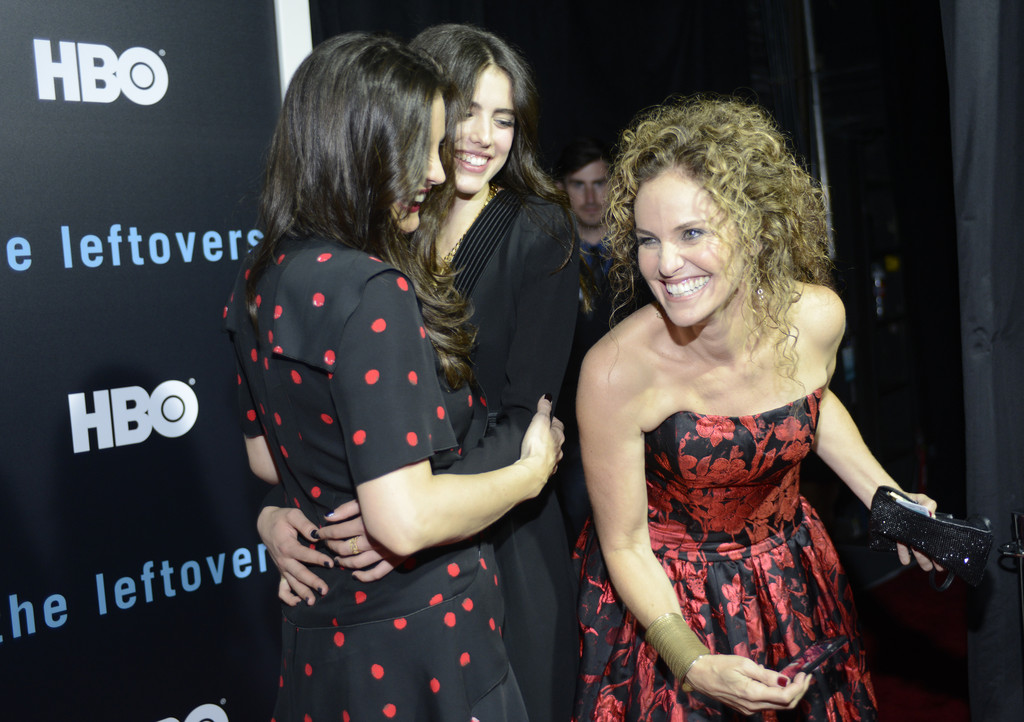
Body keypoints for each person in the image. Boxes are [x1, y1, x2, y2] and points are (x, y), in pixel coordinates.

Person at [224, 33, 564, 720]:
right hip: (421, 625)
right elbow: (400, 517)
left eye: (504, 119)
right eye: (456, 119)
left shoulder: (258, 277)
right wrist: (392, 514)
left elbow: (269, 454)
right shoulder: (373, 272)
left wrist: (366, 511)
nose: (455, 155)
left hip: (429, 581)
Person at [572, 96, 940, 720]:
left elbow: (807, 406)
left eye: (692, 233)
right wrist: (688, 659)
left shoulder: (816, 317)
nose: (665, 264)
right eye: (647, 240)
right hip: (663, 599)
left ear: (755, 226)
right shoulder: (614, 371)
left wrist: (888, 494)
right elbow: (626, 543)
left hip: (793, 575)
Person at [553, 137, 615, 540]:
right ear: (561, 188)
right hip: (575, 422)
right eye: (579, 184)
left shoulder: (643, 251)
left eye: (600, 182)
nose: (592, 197)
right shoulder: (551, 255)